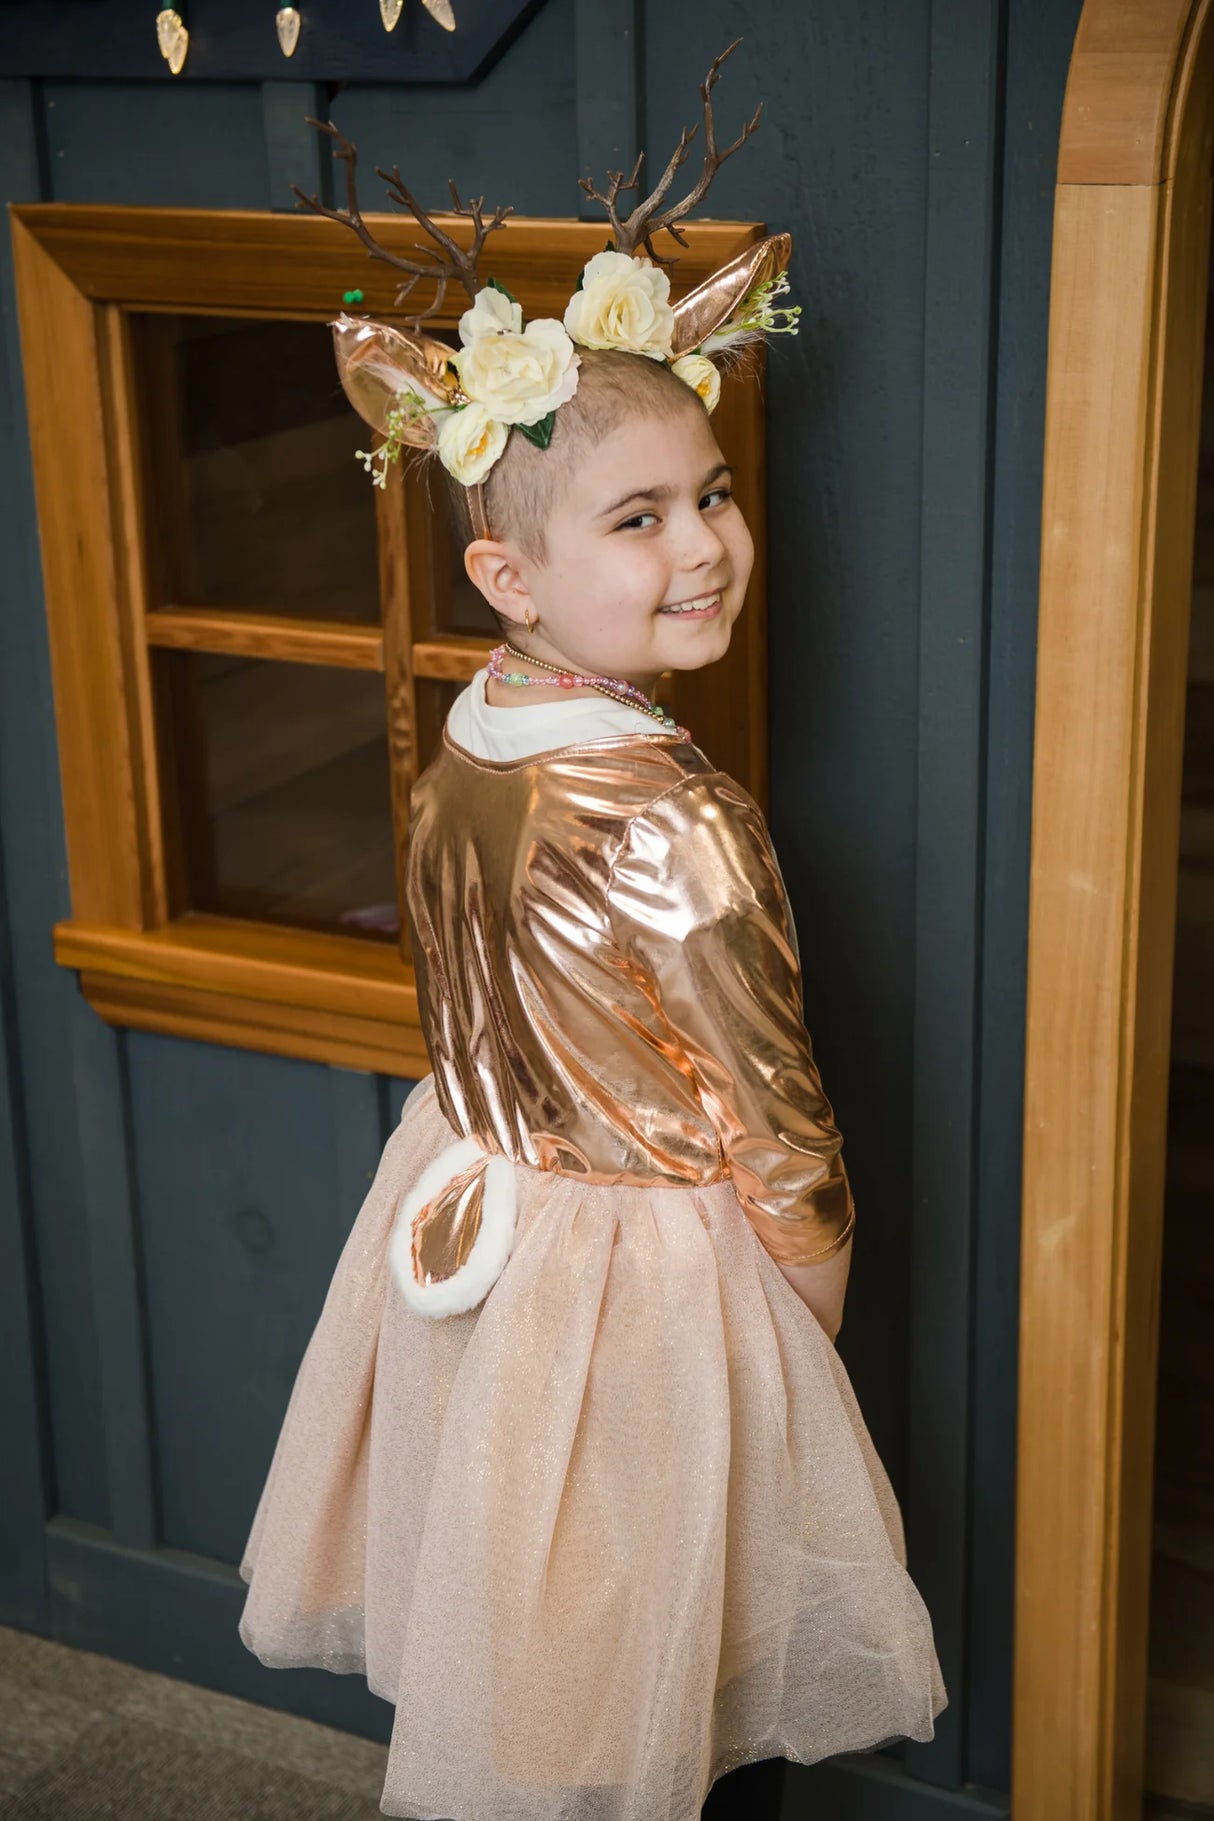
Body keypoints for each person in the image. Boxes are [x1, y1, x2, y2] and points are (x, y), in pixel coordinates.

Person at [237, 43, 947, 1821]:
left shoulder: (474, 729)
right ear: (510, 574)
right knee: (673, 1695)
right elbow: (782, 1138)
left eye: (712, 493)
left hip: (475, 1229)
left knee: (539, 1662)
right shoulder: (675, 811)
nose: (703, 545)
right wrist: (793, 1348)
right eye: (638, 518)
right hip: (640, 1296)